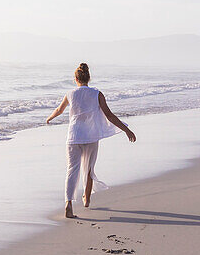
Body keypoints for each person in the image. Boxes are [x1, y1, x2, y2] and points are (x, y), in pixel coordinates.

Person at [46, 63, 137, 218]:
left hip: (73, 136)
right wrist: (126, 129)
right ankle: (87, 199)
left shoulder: (70, 93)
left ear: (75, 79)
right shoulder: (97, 93)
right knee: (88, 169)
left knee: (72, 170)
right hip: (91, 136)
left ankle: (68, 204)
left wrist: (49, 118)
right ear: (89, 78)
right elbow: (109, 115)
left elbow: (59, 110)